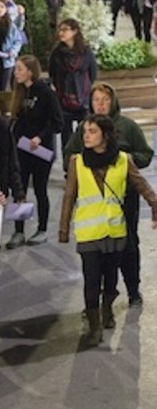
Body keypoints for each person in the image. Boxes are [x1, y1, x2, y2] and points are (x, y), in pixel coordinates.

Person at [58, 115, 157, 346]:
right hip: (89, 233)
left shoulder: (123, 160)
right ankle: (94, 327)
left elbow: (142, 185)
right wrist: (63, 229)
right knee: (92, 281)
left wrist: (154, 205)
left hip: (115, 232)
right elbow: (69, 196)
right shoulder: (77, 162)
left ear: (105, 134)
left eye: (92, 131)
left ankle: (107, 310)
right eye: (85, 132)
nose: (86, 136)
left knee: (111, 279)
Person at [64, 82, 154, 305]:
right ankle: (104, 298)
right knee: (99, 256)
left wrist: (127, 161)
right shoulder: (85, 127)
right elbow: (69, 155)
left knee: (129, 247)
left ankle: (133, 290)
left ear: (113, 101)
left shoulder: (128, 127)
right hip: (95, 205)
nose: (100, 104)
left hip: (124, 198)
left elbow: (145, 154)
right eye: (96, 100)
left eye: (105, 99)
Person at [7, 55, 63, 248]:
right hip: (21, 148)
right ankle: (19, 230)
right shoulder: (20, 92)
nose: (16, 73)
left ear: (30, 71)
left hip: (41, 149)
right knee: (20, 189)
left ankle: (42, 229)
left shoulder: (46, 93)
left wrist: (40, 136)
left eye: (19, 69)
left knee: (40, 189)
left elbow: (57, 122)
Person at [48, 19, 97, 161]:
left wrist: (83, 90)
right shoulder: (57, 53)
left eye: (65, 30)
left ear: (74, 31)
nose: (61, 33)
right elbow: (53, 74)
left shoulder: (85, 51)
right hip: (63, 100)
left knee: (86, 134)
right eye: (60, 30)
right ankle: (68, 167)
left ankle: (87, 163)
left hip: (83, 100)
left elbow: (92, 73)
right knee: (66, 138)